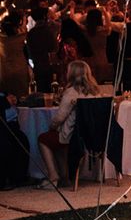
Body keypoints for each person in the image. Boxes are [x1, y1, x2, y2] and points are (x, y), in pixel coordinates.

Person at [36, 60, 99, 188]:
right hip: (90, 135)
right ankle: (65, 177)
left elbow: (59, 118)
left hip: (73, 136)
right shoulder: (96, 93)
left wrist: (52, 126)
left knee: (43, 139)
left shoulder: (71, 92)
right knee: (56, 138)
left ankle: (53, 176)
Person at [0, 88, 29, 189]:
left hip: (10, 125)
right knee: (4, 145)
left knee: (22, 139)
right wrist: (5, 101)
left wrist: (13, 99)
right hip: (2, 127)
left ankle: (19, 178)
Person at [25, 6, 59, 92]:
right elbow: (54, 48)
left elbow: (29, 50)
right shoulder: (49, 30)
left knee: (40, 90)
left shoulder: (31, 33)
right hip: (49, 64)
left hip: (37, 65)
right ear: (44, 16)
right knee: (52, 90)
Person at [0, 11, 30, 98]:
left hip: (3, 73)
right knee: (21, 100)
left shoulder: (1, 40)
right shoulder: (21, 38)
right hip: (19, 72)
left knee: (5, 100)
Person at [83, 8, 112, 83]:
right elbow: (109, 25)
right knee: (101, 86)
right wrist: (105, 12)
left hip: (88, 61)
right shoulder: (104, 31)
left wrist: (72, 9)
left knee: (89, 85)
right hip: (102, 60)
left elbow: (74, 22)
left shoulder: (85, 30)